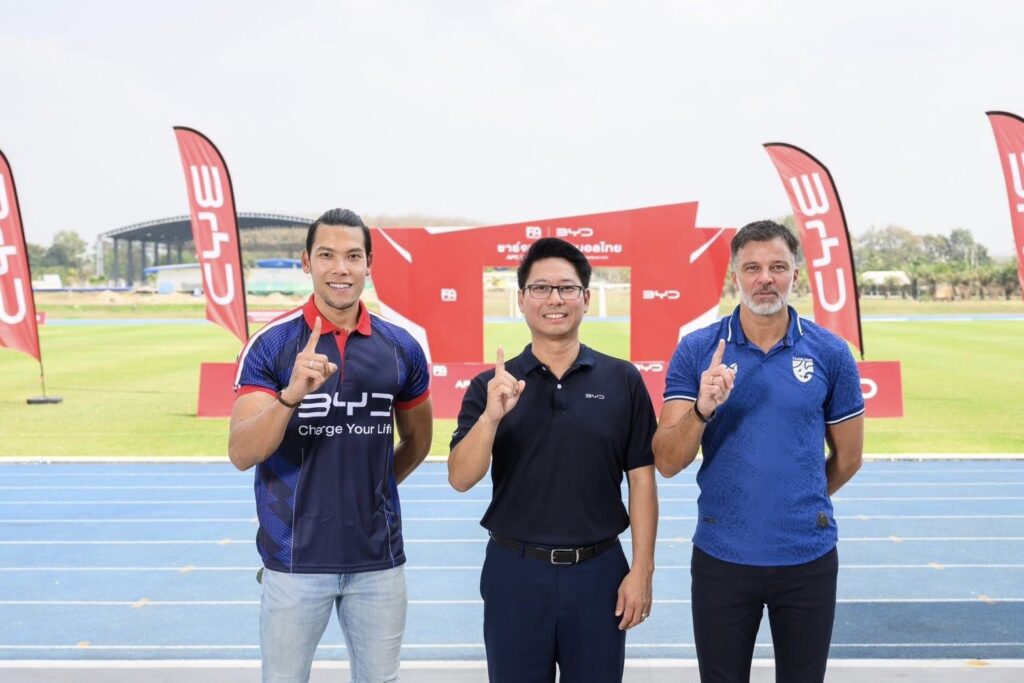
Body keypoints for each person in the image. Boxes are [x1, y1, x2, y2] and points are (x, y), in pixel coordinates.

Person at [652, 219, 864, 683]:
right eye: (752, 268)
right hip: (722, 557)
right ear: (735, 277)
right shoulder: (698, 349)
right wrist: (703, 409)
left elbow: (849, 458)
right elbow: (667, 461)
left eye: (777, 267)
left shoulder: (831, 353)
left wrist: (798, 500)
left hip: (806, 558)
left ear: (795, 275)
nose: (765, 278)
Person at [228, 208, 433, 683]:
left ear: (369, 264)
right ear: (306, 262)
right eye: (327, 255)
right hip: (294, 559)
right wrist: (290, 397)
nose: (341, 268)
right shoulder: (271, 344)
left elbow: (419, 441)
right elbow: (242, 453)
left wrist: (370, 491)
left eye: (353, 256)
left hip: (377, 560)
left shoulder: (401, 347)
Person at [448, 237, 658, 683]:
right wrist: (490, 417)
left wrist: (642, 570)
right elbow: (461, 478)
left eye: (566, 288)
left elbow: (642, 480)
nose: (554, 299)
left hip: (599, 573)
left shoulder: (623, 379)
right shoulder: (492, 385)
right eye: (541, 288)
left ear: (586, 297)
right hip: (515, 573)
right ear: (522, 299)